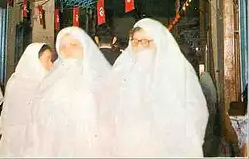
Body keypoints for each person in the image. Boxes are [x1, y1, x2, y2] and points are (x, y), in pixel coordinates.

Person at [106, 18, 209, 158]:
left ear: (159, 42)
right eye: (135, 41)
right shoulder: (122, 70)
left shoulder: (177, 71)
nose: (141, 46)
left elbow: (195, 114)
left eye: (146, 41)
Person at [25, 26, 111, 158]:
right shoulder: (49, 80)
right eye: (63, 46)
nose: (68, 50)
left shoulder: (100, 78)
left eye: (74, 45)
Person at [0, 43, 53, 157]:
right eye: (47, 59)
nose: (51, 64)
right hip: (16, 143)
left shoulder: (47, 84)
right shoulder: (15, 82)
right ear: (34, 61)